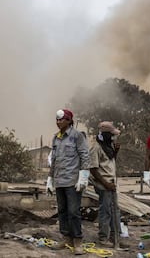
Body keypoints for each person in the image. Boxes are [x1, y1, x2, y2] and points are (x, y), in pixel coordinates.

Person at [46, 109, 90, 255]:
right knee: (62, 211)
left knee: (74, 212)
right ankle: (66, 238)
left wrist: (83, 177)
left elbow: (85, 156)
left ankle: (77, 241)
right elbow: (54, 160)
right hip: (59, 180)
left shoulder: (77, 136)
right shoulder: (56, 138)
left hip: (72, 181)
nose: (58, 122)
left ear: (69, 120)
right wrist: (50, 179)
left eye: (61, 119)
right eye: (57, 120)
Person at [88, 121, 128, 248]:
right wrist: (106, 184)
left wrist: (116, 151)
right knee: (105, 211)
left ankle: (115, 237)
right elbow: (93, 169)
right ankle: (103, 238)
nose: (113, 137)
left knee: (115, 210)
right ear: (105, 134)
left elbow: (110, 162)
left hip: (111, 183)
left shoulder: (108, 146)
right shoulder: (96, 148)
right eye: (111, 135)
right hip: (103, 184)